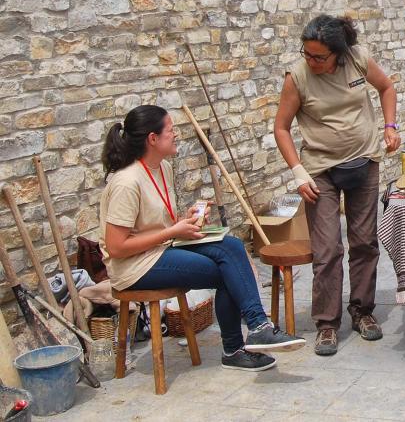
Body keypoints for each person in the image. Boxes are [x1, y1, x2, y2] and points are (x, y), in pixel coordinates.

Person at [100, 106, 305, 372]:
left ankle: (256, 328)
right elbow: (116, 247)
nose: (176, 135)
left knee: (231, 247)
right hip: (134, 266)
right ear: (152, 138)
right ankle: (242, 341)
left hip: (161, 249)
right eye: (171, 130)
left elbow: (154, 223)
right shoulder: (126, 182)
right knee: (225, 271)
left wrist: (186, 221)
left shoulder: (163, 168)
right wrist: (173, 232)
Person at [274, 14, 400, 356]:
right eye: (307, 53)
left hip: (364, 162)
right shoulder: (297, 77)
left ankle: (362, 311)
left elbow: (386, 88)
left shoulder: (357, 59)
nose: (311, 61)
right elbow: (282, 128)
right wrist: (298, 172)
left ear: (338, 53)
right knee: (328, 248)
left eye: (319, 56)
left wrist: (390, 126)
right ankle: (327, 323)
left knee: (364, 241)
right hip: (320, 171)